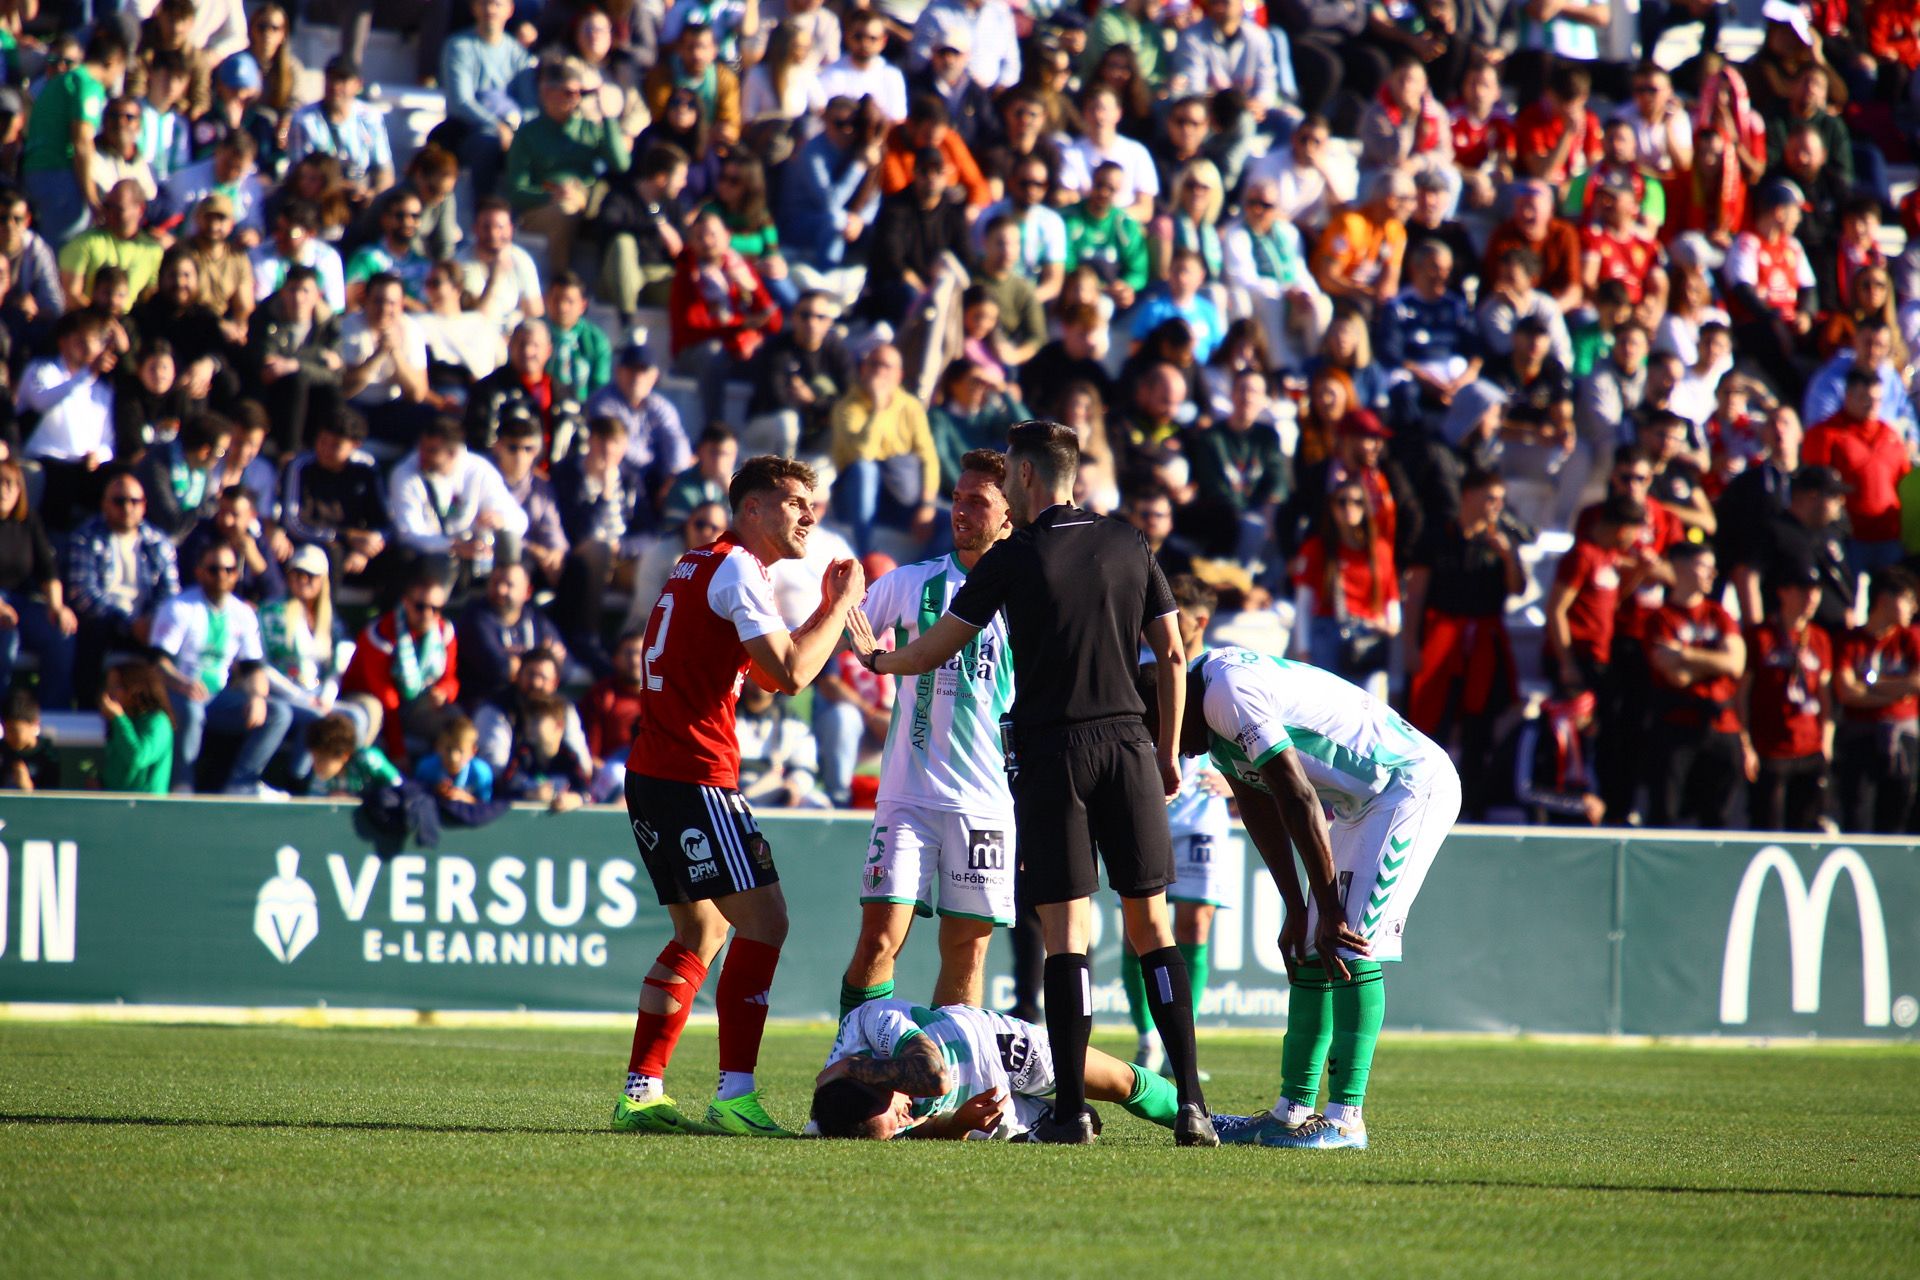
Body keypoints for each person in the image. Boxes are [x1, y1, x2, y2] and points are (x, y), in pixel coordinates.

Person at [856, 421, 1215, 1147]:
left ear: (1023, 477)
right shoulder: (1129, 540)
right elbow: (1173, 653)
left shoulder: (1016, 556)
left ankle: (1072, 1111)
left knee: (1067, 938)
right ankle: (1193, 1104)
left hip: (1057, 754)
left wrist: (881, 661)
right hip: (1131, 745)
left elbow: (940, 644)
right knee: (1151, 930)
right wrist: (1170, 752)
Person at [613, 455, 864, 1138]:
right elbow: (787, 676)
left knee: (702, 931)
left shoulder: (696, 564)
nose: (809, 515)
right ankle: (735, 1095)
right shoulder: (737, 569)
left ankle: (641, 1092)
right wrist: (838, 606)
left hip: (654, 771)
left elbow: (749, 667)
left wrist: (814, 615)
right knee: (767, 923)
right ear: (751, 509)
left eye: (813, 503)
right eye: (794, 502)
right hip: (695, 775)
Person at [1165, 642, 1459, 1150]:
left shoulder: (1227, 692)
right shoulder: (1207, 706)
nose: (1175, 750)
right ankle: (1291, 1112)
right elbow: (1259, 802)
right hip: (1359, 803)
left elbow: (1298, 794)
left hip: (1407, 786)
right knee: (1308, 948)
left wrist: (1324, 908)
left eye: (1160, 734)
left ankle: (1346, 1118)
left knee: (1348, 941)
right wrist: (1297, 910)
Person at [837, 449, 1015, 1022]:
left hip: (986, 801)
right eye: (957, 498)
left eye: (977, 502)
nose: (960, 511)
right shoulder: (913, 582)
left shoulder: (1029, 596)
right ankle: (855, 1075)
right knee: (878, 941)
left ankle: (945, 1093)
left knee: (967, 951)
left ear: (1010, 515)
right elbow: (852, 628)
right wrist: (838, 608)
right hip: (907, 797)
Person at [1118, 576, 1229, 1074]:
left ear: (1199, 621)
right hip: (1150, 812)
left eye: (1174, 613)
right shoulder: (1140, 670)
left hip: (1203, 818)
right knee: (1140, 927)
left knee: (1195, 924)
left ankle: (1184, 1037)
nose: (1159, 624)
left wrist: (1235, 783)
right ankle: (1147, 1038)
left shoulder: (1220, 669)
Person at [808, 998, 1186, 1140]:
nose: (906, 1118)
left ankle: (1203, 1118)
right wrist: (959, 1124)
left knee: (1118, 1082)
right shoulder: (854, 1123)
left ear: (878, 1079)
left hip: (992, 1046)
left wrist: (856, 1066)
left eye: (898, 1112)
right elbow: (923, 1128)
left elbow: (935, 1076)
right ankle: (1053, 1114)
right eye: (895, 1130)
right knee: (1080, 1127)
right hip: (980, 1104)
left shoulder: (865, 1024)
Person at [150, 541, 290, 795]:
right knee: (191, 710)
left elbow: (254, 668)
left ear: (237, 574)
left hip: (219, 698)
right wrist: (182, 683)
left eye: (229, 569)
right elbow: (158, 663)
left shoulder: (242, 613)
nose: (222, 575)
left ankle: (240, 785)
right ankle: (182, 785)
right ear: (200, 571)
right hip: (179, 693)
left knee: (278, 713)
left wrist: (257, 697)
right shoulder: (179, 608)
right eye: (213, 569)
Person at [1643, 541, 1746, 829]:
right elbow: (1676, 677)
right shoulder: (1661, 619)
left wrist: (1685, 654)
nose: (1712, 574)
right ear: (1680, 568)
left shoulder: (1719, 615)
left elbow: (1735, 664)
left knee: (1717, 815)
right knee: (1666, 811)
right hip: (1677, 725)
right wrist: (1715, 663)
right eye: (1704, 567)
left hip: (1720, 725)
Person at [506, 59, 631, 279]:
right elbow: (516, 191)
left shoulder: (589, 129)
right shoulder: (528, 134)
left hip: (586, 199)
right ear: (546, 92)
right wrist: (551, 197)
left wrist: (608, 117)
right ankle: (559, 280)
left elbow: (621, 164)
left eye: (580, 93)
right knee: (565, 209)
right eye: (568, 92)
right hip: (545, 207)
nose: (576, 98)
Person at [67, 470, 180, 706]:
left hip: (148, 626)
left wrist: (151, 621)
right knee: (90, 633)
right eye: (119, 501)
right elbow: (84, 595)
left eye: (134, 501)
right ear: (104, 504)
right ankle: (88, 707)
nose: (127, 507)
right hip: (105, 625)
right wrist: (129, 623)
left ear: (144, 505)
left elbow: (170, 593)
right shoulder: (85, 538)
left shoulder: (158, 542)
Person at [1739, 564, 1833, 833]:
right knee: (1767, 824)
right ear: (1783, 592)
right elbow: (1742, 695)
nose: (1811, 598)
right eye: (1804, 590)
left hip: (1809, 748)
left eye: (1816, 591)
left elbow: (1825, 696)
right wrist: (1746, 744)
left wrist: (1826, 741)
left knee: (1805, 827)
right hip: (1770, 748)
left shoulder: (1820, 638)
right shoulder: (1760, 637)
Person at [339, 565, 459, 767]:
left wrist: (443, 692)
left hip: (413, 703)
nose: (428, 614)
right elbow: (386, 698)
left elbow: (450, 680)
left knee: (456, 723)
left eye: (436, 608)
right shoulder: (379, 635)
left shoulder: (444, 633)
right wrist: (398, 752)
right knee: (372, 710)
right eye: (420, 606)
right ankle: (357, 770)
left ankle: (449, 776)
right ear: (406, 603)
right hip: (366, 698)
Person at [21, 27, 129, 248]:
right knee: (63, 252)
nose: (119, 77)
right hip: (59, 177)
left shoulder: (63, 81)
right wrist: (91, 197)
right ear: (112, 61)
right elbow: (82, 142)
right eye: (121, 69)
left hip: (34, 172)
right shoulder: (87, 85)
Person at [829, 344, 940, 557]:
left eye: (886, 366)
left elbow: (929, 458)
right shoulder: (846, 406)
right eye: (873, 364)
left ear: (899, 375)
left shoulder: (911, 406)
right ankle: (865, 557)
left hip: (899, 496)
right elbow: (862, 454)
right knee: (864, 469)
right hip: (854, 500)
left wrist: (927, 505)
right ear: (863, 369)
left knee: (950, 523)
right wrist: (878, 407)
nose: (879, 371)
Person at [1831, 568, 1920, 835]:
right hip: (1859, 736)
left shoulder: (1910, 638)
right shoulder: (1850, 641)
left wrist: (1869, 684)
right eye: (1908, 599)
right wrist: (1897, 691)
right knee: (1856, 809)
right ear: (1883, 599)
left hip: (1902, 736)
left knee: (1896, 810)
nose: (1914, 607)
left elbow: (1917, 683)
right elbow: (1846, 692)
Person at [0, 458, 76, 708]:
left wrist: (56, 606)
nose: (4, 490)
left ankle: (52, 713)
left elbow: (47, 569)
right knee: (6, 638)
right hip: (2, 608)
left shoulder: (29, 521)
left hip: (23, 601)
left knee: (60, 634)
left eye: (11, 483)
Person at [286, 58, 393, 207]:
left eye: (342, 80)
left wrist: (374, 195)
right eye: (331, 79)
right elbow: (299, 175)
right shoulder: (304, 119)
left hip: (362, 195)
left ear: (358, 84)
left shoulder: (370, 117)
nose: (335, 86)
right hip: (320, 198)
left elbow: (384, 168)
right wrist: (344, 188)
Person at [99, 657, 174, 793]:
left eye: (117, 686)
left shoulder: (158, 722)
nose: (109, 693)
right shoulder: (122, 721)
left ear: (136, 688)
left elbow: (138, 757)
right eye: (108, 686)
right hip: (115, 806)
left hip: (146, 809)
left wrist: (119, 718)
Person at [302, 711, 401, 799]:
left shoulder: (367, 760)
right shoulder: (321, 777)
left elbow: (398, 785)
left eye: (322, 760)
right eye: (314, 758)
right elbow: (314, 806)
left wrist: (356, 799)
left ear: (344, 756)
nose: (316, 766)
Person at [414, 714, 495, 804]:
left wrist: (466, 798)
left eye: (461, 751)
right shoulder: (426, 767)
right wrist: (435, 791)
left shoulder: (481, 773)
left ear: (473, 751)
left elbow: (486, 806)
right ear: (438, 746)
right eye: (448, 749)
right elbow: (416, 796)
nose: (453, 757)